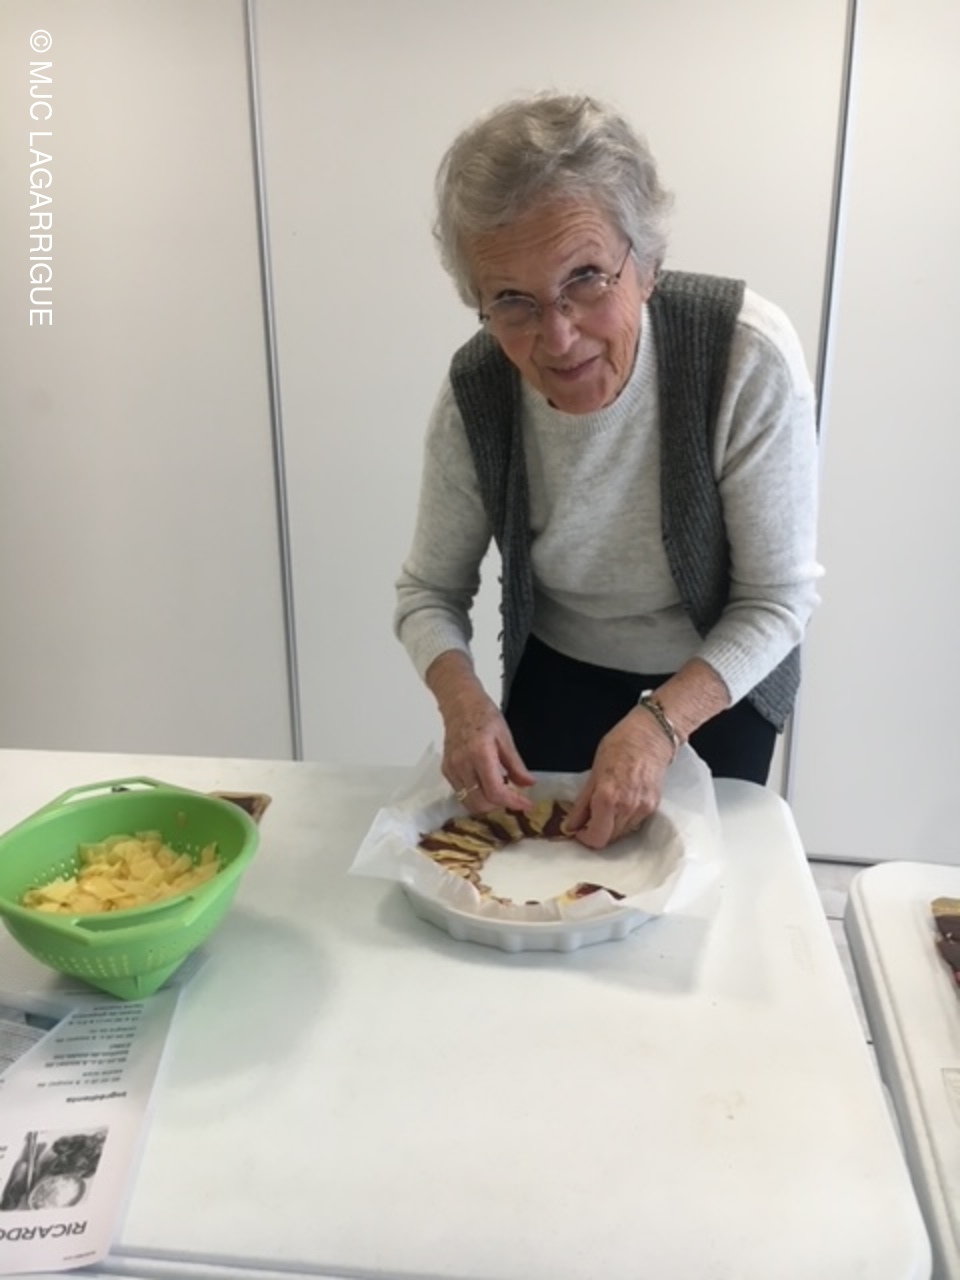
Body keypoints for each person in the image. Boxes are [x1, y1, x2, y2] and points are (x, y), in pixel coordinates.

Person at [394, 92, 822, 850]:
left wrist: (659, 725)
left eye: (586, 277)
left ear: (647, 264)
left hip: (717, 676)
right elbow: (428, 593)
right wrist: (462, 704)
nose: (558, 337)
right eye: (513, 301)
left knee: (703, 890)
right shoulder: (477, 393)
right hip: (559, 667)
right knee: (546, 879)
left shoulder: (742, 357)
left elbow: (776, 601)